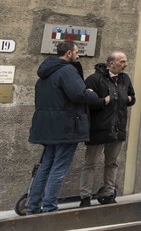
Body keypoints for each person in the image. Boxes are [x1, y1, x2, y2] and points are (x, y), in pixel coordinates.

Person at [27, 41, 107, 214]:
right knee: (59, 168)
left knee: (45, 166)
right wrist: (94, 96)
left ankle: (32, 207)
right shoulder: (67, 70)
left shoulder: (46, 72)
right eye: (77, 52)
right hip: (66, 126)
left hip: (48, 126)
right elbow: (78, 93)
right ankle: (49, 208)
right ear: (69, 53)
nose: (78, 56)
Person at [79, 51, 136, 207]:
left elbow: (132, 97)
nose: (126, 64)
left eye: (125, 61)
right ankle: (85, 196)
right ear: (111, 63)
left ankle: (109, 193)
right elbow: (85, 101)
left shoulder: (125, 79)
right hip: (98, 128)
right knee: (90, 163)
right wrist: (103, 101)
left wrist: (129, 99)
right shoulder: (94, 79)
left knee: (112, 163)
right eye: (122, 61)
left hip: (118, 127)